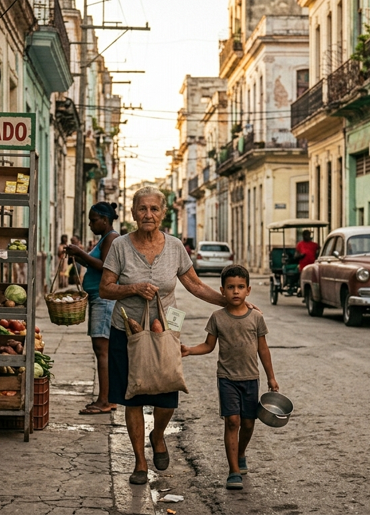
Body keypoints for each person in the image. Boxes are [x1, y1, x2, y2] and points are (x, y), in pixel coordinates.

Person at [99, 186, 257, 486]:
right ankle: (140, 461)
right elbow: (105, 288)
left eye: (154, 209)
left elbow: (195, 285)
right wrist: (133, 288)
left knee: (167, 399)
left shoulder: (174, 247)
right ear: (133, 213)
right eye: (142, 209)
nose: (148, 214)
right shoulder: (120, 246)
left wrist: (234, 302)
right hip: (128, 332)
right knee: (132, 399)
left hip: (166, 333)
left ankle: (157, 435)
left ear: (163, 213)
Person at [180, 265, 278, 490]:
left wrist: (271, 377)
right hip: (227, 378)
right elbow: (208, 345)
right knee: (232, 422)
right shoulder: (217, 317)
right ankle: (233, 471)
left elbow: (263, 350)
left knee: (248, 423)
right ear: (222, 291)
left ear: (248, 290)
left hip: (251, 378)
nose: (236, 292)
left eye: (240, 287)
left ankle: (241, 452)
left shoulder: (256, 318)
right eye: (231, 287)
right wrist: (189, 350)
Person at [65, 203, 121, 415]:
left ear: (105, 220)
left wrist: (80, 252)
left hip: (104, 300)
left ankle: (105, 400)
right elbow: (94, 264)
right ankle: (108, 398)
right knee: (102, 350)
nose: (90, 224)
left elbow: (105, 266)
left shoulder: (111, 238)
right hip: (99, 299)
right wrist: (78, 256)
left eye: (93, 220)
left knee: (102, 350)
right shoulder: (105, 239)